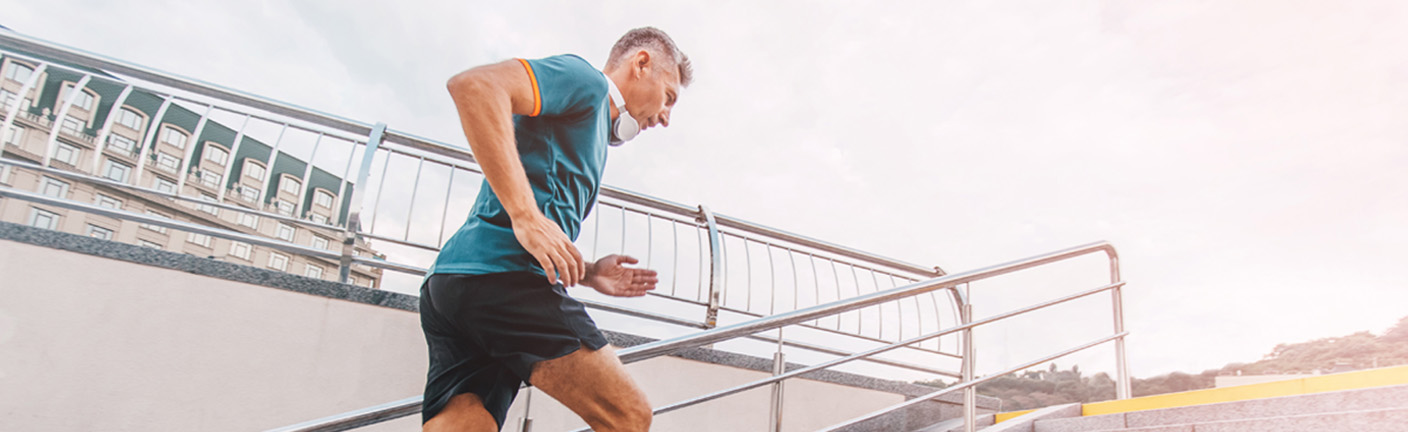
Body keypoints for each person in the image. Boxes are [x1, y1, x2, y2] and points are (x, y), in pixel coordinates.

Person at [420, 27, 692, 432]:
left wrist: (589, 272)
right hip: (505, 280)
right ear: (641, 64)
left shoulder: (594, 127)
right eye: (669, 96)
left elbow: (539, 215)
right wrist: (525, 215)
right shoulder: (586, 83)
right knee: (628, 416)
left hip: (454, 284)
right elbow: (474, 86)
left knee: (464, 425)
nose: (667, 116)